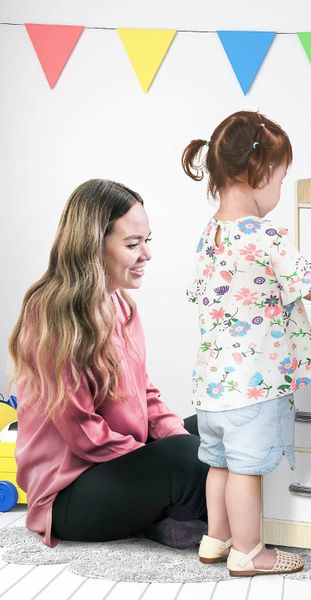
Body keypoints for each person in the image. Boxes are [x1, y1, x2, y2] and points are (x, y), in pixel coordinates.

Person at [182, 111, 311, 576]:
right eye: (281, 180)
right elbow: (310, 282)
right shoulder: (265, 235)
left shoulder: (211, 234)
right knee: (247, 470)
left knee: (219, 465)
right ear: (257, 174)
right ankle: (250, 551)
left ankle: (216, 538)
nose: (280, 192)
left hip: (213, 386)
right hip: (255, 384)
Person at [8, 179, 209, 549]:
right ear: (93, 247)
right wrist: (170, 455)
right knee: (187, 457)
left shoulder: (119, 305)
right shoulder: (52, 313)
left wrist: (188, 441)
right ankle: (181, 515)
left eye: (148, 241)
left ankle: (167, 518)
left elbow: (146, 394)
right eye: (133, 245)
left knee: (212, 430)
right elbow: (83, 434)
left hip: (119, 464)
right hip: (70, 494)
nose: (146, 254)